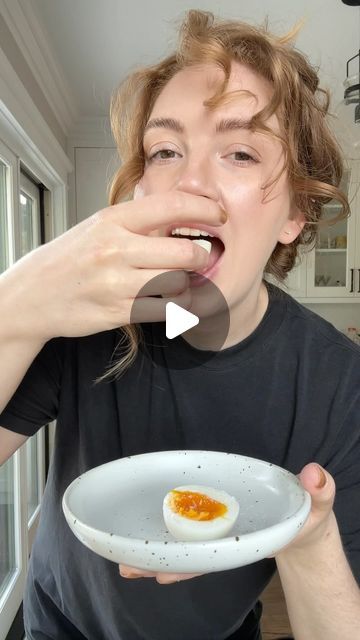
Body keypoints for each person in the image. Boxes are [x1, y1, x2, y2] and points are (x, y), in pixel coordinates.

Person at [0, 8, 360, 640]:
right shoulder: (86, 324)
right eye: (164, 150)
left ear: (295, 216)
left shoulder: (339, 380)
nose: (189, 181)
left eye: (241, 151)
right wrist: (17, 302)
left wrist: (309, 537)